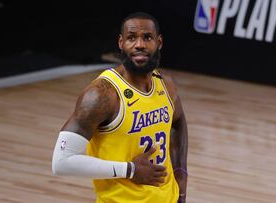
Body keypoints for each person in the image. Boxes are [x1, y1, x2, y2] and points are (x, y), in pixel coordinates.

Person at [52, 12, 188, 203]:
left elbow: (178, 122)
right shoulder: (101, 94)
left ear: (159, 43)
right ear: (120, 43)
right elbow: (61, 162)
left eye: (147, 37)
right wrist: (129, 170)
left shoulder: (166, 84)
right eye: (131, 38)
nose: (139, 44)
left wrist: (181, 173)